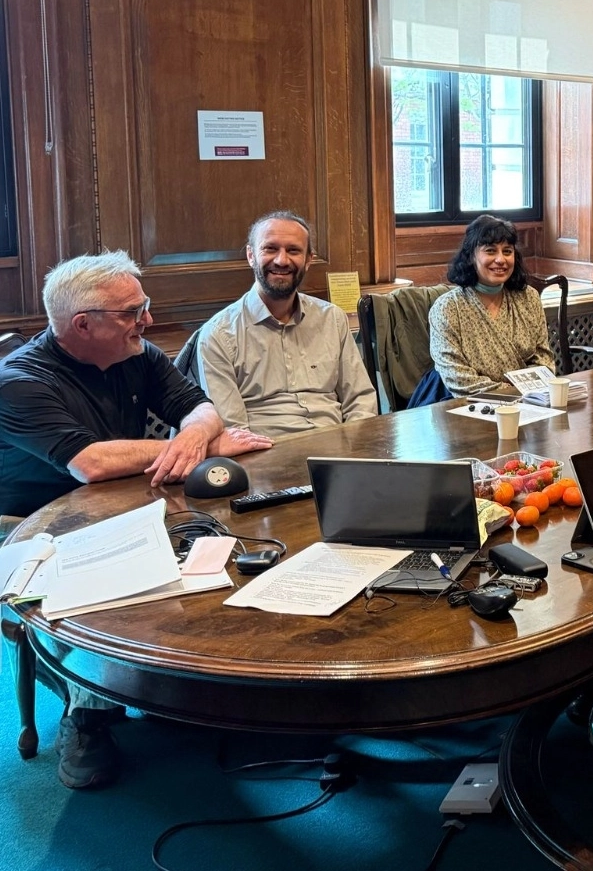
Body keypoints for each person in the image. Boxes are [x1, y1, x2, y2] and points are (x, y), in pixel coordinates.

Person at [0, 250, 272, 790]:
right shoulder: (18, 381)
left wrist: (196, 437)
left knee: (226, 539)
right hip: (32, 528)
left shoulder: (137, 353)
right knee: (99, 590)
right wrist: (200, 444)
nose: (147, 320)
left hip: (122, 504)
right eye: (133, 311)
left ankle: (183, 681)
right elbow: (90, 462)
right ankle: (89, 717)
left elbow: (202, 409)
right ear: (83, 324)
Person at [197, 211, 377, 437]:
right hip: (268, 451)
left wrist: (357, 450)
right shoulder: (218, 335)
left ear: (309, 260)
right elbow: (234, 432)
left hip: (338, 448)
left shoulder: (332, 319)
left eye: (293, 250)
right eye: (270, 248)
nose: (281, 260)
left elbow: (360, 400)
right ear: (251, 256)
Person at [429, 214, 555, 394]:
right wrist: (509, 391)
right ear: (471, 256)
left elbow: (544, 361)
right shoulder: (447, 308)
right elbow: (456, 377)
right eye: (490, 251)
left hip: (529, 400)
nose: (501, 259)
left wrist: (523, 394)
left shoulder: (529, 297)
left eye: (507, 251)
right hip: (462, 402)